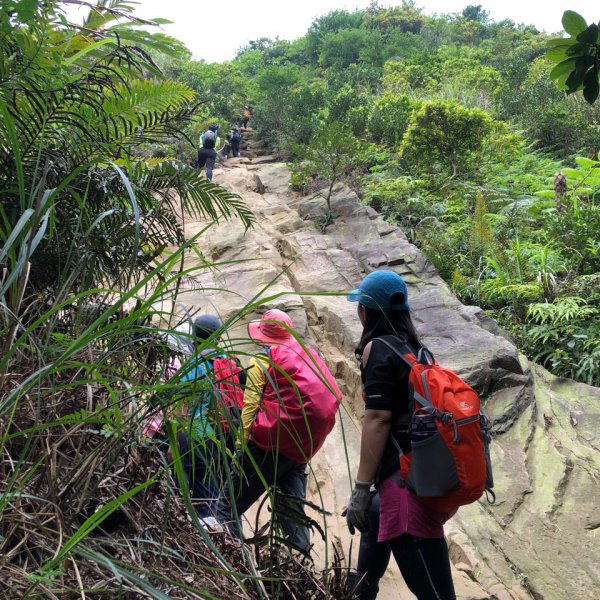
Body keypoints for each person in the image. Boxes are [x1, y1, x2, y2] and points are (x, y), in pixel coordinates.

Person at [345, 270, 457, 600]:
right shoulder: (417, 352)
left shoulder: (378, 348)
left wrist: (361, 489)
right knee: (365, 573)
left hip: (404, 495)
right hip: (419, 478)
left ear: (366, 311)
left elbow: (378, 418)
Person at [217, 309, 341, 552]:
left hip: (269, 445)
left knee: (226, 506)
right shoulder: (306, 355)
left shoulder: (261, 363)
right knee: (292, 514)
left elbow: (249, 408)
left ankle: (234, 563)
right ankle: (303, 572)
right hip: (301, 448)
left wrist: (241, 449)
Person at [176, 314, 243, 524]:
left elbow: (183, 409)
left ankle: (214, 543)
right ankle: (235, 540)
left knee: (207, 498)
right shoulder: (232, 364)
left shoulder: (193, 366)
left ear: (194, 336)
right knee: (227, 497)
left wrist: (175, 444)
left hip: (200, 437)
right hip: (229, 436)